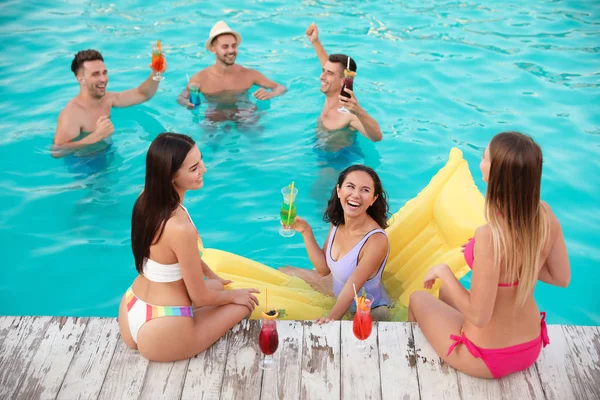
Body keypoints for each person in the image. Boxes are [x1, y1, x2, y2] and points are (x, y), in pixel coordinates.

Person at [408, 131, 570, 379]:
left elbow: (479, 316)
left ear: (496, 174)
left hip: (487, 356)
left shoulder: (489, 235)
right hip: (530, 346)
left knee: (418, 299)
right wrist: (520, 256)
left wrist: (443, 271)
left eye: (484, 156)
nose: (480, 161)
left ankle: (415, 374)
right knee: (444, 293)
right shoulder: (544, 215)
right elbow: (561, 278)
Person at [118, 132, 260, 362]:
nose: (204, 169)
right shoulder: (179, 227)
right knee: (245, 304)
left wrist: (210, 274)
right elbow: (200, 297)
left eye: (200, 160)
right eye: (194, 168)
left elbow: (171, 256)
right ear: (171, 176)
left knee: (217, 285)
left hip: (131, 305)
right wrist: (237, 295)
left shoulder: (145, 200)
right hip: (164, 328)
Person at [283, 165, 391, 322]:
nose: (355, 195)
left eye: (365, 190)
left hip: (369, 312)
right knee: (284, 273)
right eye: (350, 187)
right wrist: (306, 231)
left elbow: (351, 290)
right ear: (339, 190)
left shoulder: (376, 240)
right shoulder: (337, 223)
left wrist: (330, 319)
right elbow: (323, 269)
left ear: (373, 199)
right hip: (338, 294)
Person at [53, 49, 165, 155]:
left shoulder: (108, 99)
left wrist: (156, 73)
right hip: (84, 164)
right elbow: (57, 151)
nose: (103, 79)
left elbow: (143, 94)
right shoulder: (72, 114)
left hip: (107, 152)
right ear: (80, 78)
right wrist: (97, 135)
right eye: (95, 74)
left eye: (104, 73)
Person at [177, 20, 286, 124]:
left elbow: (280, 88)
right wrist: (186, 103)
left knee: (256, 138)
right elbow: (182, 97)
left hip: (245, 114)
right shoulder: (200, 78)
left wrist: (270, 94)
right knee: (210, 139)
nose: (231, 51)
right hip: (215, 117)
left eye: (234, 46)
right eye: (225, 47)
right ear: (213, 49)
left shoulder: (249, 74)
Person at [305, 23, 382, 144]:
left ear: (343, 80)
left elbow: (377, 137)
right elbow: (329, 67)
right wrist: (315, 41)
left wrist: (358, 110)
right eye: (323, 71)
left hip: (338, 160)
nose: (322, 77)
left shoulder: (348, 113)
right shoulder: (331, 93)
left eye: (329, 73)